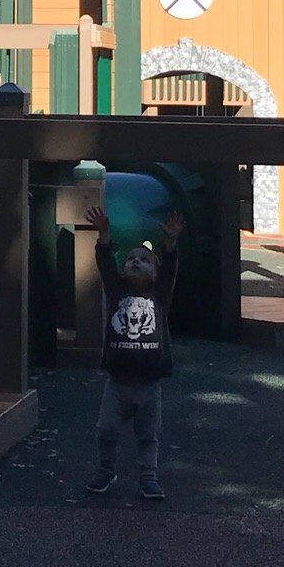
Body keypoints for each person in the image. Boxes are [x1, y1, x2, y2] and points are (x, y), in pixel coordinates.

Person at [84, 202, 183, 500]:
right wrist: (103, 236)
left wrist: (170, 243)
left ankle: (148, 477)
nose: (136, 262)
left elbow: (171, 270)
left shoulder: (159, 295)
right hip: (117, 383)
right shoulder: (117, 291)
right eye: (130, 259)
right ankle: (106, 470)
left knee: (148, 435)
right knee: (106, 430)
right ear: (123, 270)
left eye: (144, 260)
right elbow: (105, 265)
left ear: (155, 273)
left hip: (150, 384)